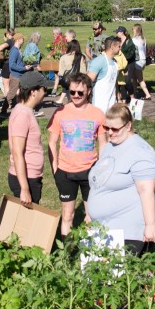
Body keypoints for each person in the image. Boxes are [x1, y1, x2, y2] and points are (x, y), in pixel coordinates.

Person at [87, 104, 155, 255]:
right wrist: (90, 214)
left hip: (131, 227)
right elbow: (100, 180)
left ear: (128, 125)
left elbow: (146, 190)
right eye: (106, 128)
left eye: (115, 129)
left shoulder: (140, 150)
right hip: (107, 225)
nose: (110, 133)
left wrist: (150, 225)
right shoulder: (111, 145)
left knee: (123, 276)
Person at [47, 73, 106, 236]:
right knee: (67, 215)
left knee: (91, 215)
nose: (76, 96)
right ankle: (66, 254)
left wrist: (101, 169)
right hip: (65, 172)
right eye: (72, 92)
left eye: (80, 92)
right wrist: (55, 170)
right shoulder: (60, 112)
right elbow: (52, 142)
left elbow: (103, 144)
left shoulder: (98, 114)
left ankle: (89, 255)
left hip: (90, 172)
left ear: (88, 91)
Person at [8, 72, 47, 207]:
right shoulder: (22, 114)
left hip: (30, 176)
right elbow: (17, 152)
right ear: (34, 92)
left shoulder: (25, 110)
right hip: (26, 179)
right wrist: (24, 188)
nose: (45, 93)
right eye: (43, 89)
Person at [87, 36, 121, 113]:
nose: (120, 48)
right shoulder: (99, 61)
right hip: (99, 106)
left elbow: (114, 81)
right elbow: (87, 82)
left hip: (112, 105)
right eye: (119, 46)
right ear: (112, 47)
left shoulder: (115, 62)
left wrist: (118, 97)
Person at [52, 40, 86, 104]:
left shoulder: (64, 57)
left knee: (67, 88)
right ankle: (62, 101)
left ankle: (62, 101)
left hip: (67, 81)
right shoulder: (81, 57)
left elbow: (61, 73)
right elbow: (83, 71)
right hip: (78, 80)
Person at [130, 24, 152, 100]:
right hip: (143, 60)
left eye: (133, 29)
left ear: (136, 30)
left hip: (138, 61)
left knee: (140, 79)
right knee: (134, 78)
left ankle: (147, 94)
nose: (132, 30)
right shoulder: (143, 39)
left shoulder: (134, 40)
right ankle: (135, 93)